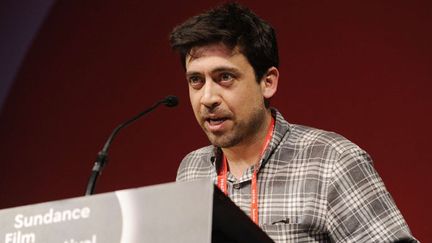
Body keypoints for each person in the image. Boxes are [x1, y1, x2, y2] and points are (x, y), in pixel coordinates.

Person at [170, 3, 417, 242]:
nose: (208, 98)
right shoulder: (192, 169)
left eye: (225, 77)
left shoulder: (331, 161)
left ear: (268, 82)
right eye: (196, 81)